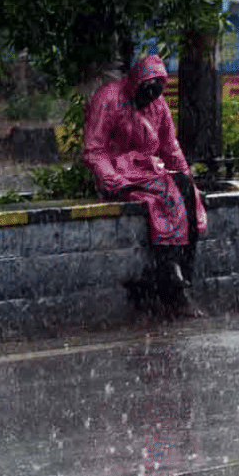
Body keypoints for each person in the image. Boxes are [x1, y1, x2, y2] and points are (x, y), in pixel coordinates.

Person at [83, 53, 208, 314]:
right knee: (168, 195)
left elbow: (171, 148)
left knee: (185, 194)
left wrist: (188, 180)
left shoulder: (158, 105)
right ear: (136, 83)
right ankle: (171, 279)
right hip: (123, 175)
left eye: (154, 94)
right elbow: (95, 149)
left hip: (150, 173)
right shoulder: (109, 98)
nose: (149, 100)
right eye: (146, 93)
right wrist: (114, 181)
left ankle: (180, 273)